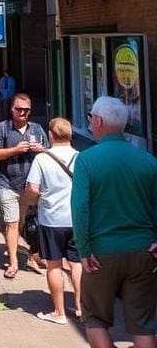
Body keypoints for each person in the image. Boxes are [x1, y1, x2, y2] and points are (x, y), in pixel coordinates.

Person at [72, 96, 157, 348]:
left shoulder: (86, 160)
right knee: (143, 325)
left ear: (98, 120)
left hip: (101, 253)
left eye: (90, 119)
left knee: (95, 320)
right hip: (143, 252)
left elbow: (79, 208)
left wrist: (83, 249)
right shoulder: (148, 160)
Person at [24, 117, 81, 325]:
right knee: (76, 264)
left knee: (54, 266)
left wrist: (35, 200)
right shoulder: (79, 157)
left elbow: (32, 189)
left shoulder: (42, 159)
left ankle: (59, 312)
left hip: (51, 219)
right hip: (75, 219)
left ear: (50, 135)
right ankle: (81, 306)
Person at [0, 91, 49, 278]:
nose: (23, 113)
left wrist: (41, 150)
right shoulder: (2, 128)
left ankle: (34, 254)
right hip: (8, 183)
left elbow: (48, 152)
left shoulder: (37, 129)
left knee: (29, 224)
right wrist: (15, 150)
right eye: (19, 109)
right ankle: (13, 263)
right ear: (12, 109)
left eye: (26, 110)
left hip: (30, 185)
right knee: (12, 223)